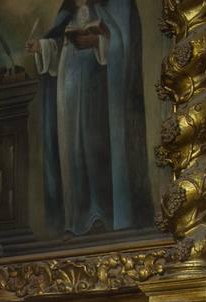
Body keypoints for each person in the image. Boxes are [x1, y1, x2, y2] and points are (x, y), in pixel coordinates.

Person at [27, 0, 153, 235]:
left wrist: (98, 41)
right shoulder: (67, 14)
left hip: (99, 97)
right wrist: (42, 47)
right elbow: (58, 45)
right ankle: (77, 218)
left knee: (96, 150)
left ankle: (101, 214)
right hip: (69, 93)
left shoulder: (115, 7)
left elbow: (121, 45)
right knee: (72, 151)